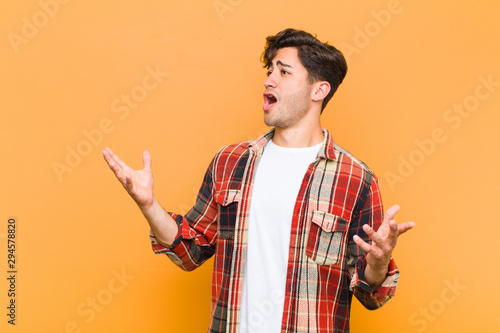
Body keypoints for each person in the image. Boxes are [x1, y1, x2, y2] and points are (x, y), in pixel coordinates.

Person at [103, 28, 415, 333]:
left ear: (318, 90)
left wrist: (379, 260)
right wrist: (148, 204)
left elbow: (371, 292)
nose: (269, 79)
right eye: (269, 70)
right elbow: (190, 250)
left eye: (284, 72)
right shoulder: (231, 161)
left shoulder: (355, 179)